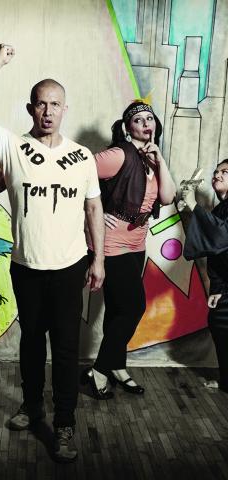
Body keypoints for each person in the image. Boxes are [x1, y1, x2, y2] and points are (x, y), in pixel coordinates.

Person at [0, 44, 105, 463]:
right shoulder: (12, 147)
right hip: (26, 267)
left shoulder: (81, 157)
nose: (47, 111)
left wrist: (97, 259)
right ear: (30, 108)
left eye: (55, 104)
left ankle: (64, 424)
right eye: (41, 104)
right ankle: (31, 405)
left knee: (64, 349)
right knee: (31, 347)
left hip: (69, 267)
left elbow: (93, 206)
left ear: (65, 109)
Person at [83, 101, 176, 398]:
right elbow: (73, 174)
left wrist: (160, 159)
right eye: (139, 119)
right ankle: (99, 368)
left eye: (151, 118)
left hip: (137, 243)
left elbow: (168, 195)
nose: (146, 123)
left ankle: (116, 365)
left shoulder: (151, 157)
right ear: (128, 127)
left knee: (118, 309)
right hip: (112, 242)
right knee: (134, 307)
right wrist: (90, 213)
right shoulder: (118, 154)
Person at [182, 160, 228, 394]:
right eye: (216, 172)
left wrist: (193, 205)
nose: (217, 175)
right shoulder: (221, 208)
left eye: (225, 172)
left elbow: (221, 237)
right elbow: (216, 252)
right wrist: (217, 288)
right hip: (226, 284)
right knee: (219, 326)